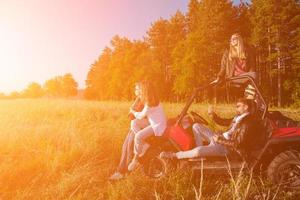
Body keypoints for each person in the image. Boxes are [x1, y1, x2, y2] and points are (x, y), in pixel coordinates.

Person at [160, 98, 259, 160]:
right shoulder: (238, 117)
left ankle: (174, 155)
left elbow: (237, 144)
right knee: (196, 126)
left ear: (246, 107)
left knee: (198, 150)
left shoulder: (247, 123)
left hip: (225, 148)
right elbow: (224, 122)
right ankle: (200, 157)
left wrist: (220, 140)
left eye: (238, 106)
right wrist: (213, 116)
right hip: (220, 139)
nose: (236, 108)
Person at [127, 81, 167, 171]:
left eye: (140, 89)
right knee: (134, 123)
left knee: (138, 136)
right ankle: (145, 145)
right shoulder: (150, 100)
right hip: (153, 122)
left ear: (145, 91)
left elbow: (141, 115)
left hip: (157, 126)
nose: (138, 91)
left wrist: (133, 111)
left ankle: (136, 159)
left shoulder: (150, 103)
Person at [109, 82, 144, 181]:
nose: (135, 90)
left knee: (129, 148)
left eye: (137, 89)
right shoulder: (139, 99)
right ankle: (121, 171)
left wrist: (133, 111)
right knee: (125, 147)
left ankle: (124, 173)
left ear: (141, 90)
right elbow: (131, 114)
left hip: (138, 128)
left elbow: (132, 115)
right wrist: (133, 110)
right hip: (134, 127)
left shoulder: (143, 101)